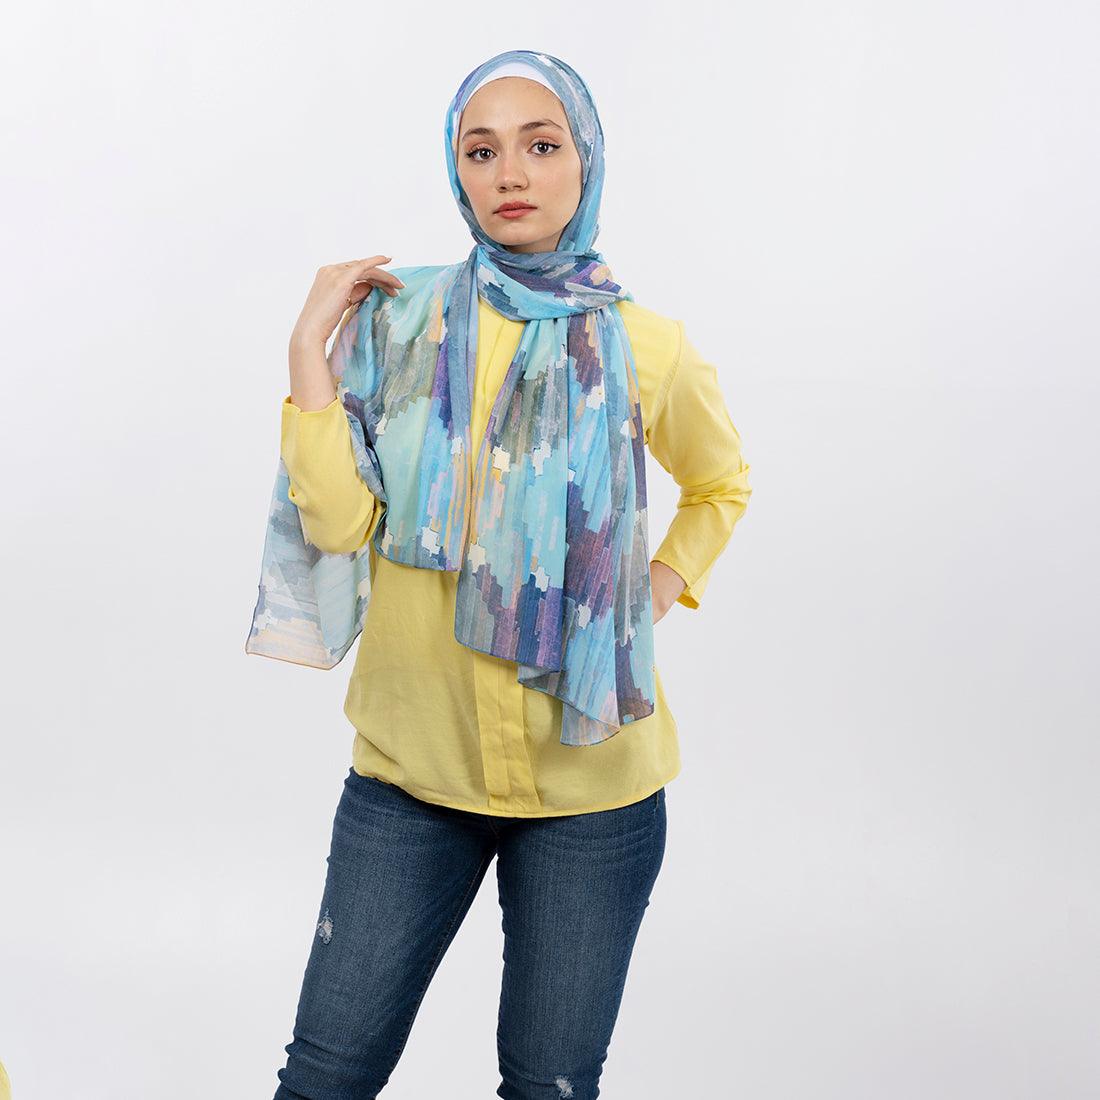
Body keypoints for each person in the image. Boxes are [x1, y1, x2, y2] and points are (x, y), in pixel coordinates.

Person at [247, 49, 752, 1100]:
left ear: (585, 162)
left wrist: (653, 591)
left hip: (592, 789)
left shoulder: (646, 347)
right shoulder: (400, 322)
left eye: (540, 145)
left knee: (549, 1084)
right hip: (410, 777)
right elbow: (337, 521)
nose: (509, 173)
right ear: (457, 172)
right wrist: (307, 352)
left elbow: (720, 485)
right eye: (481, 152)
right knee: (325, 1074)